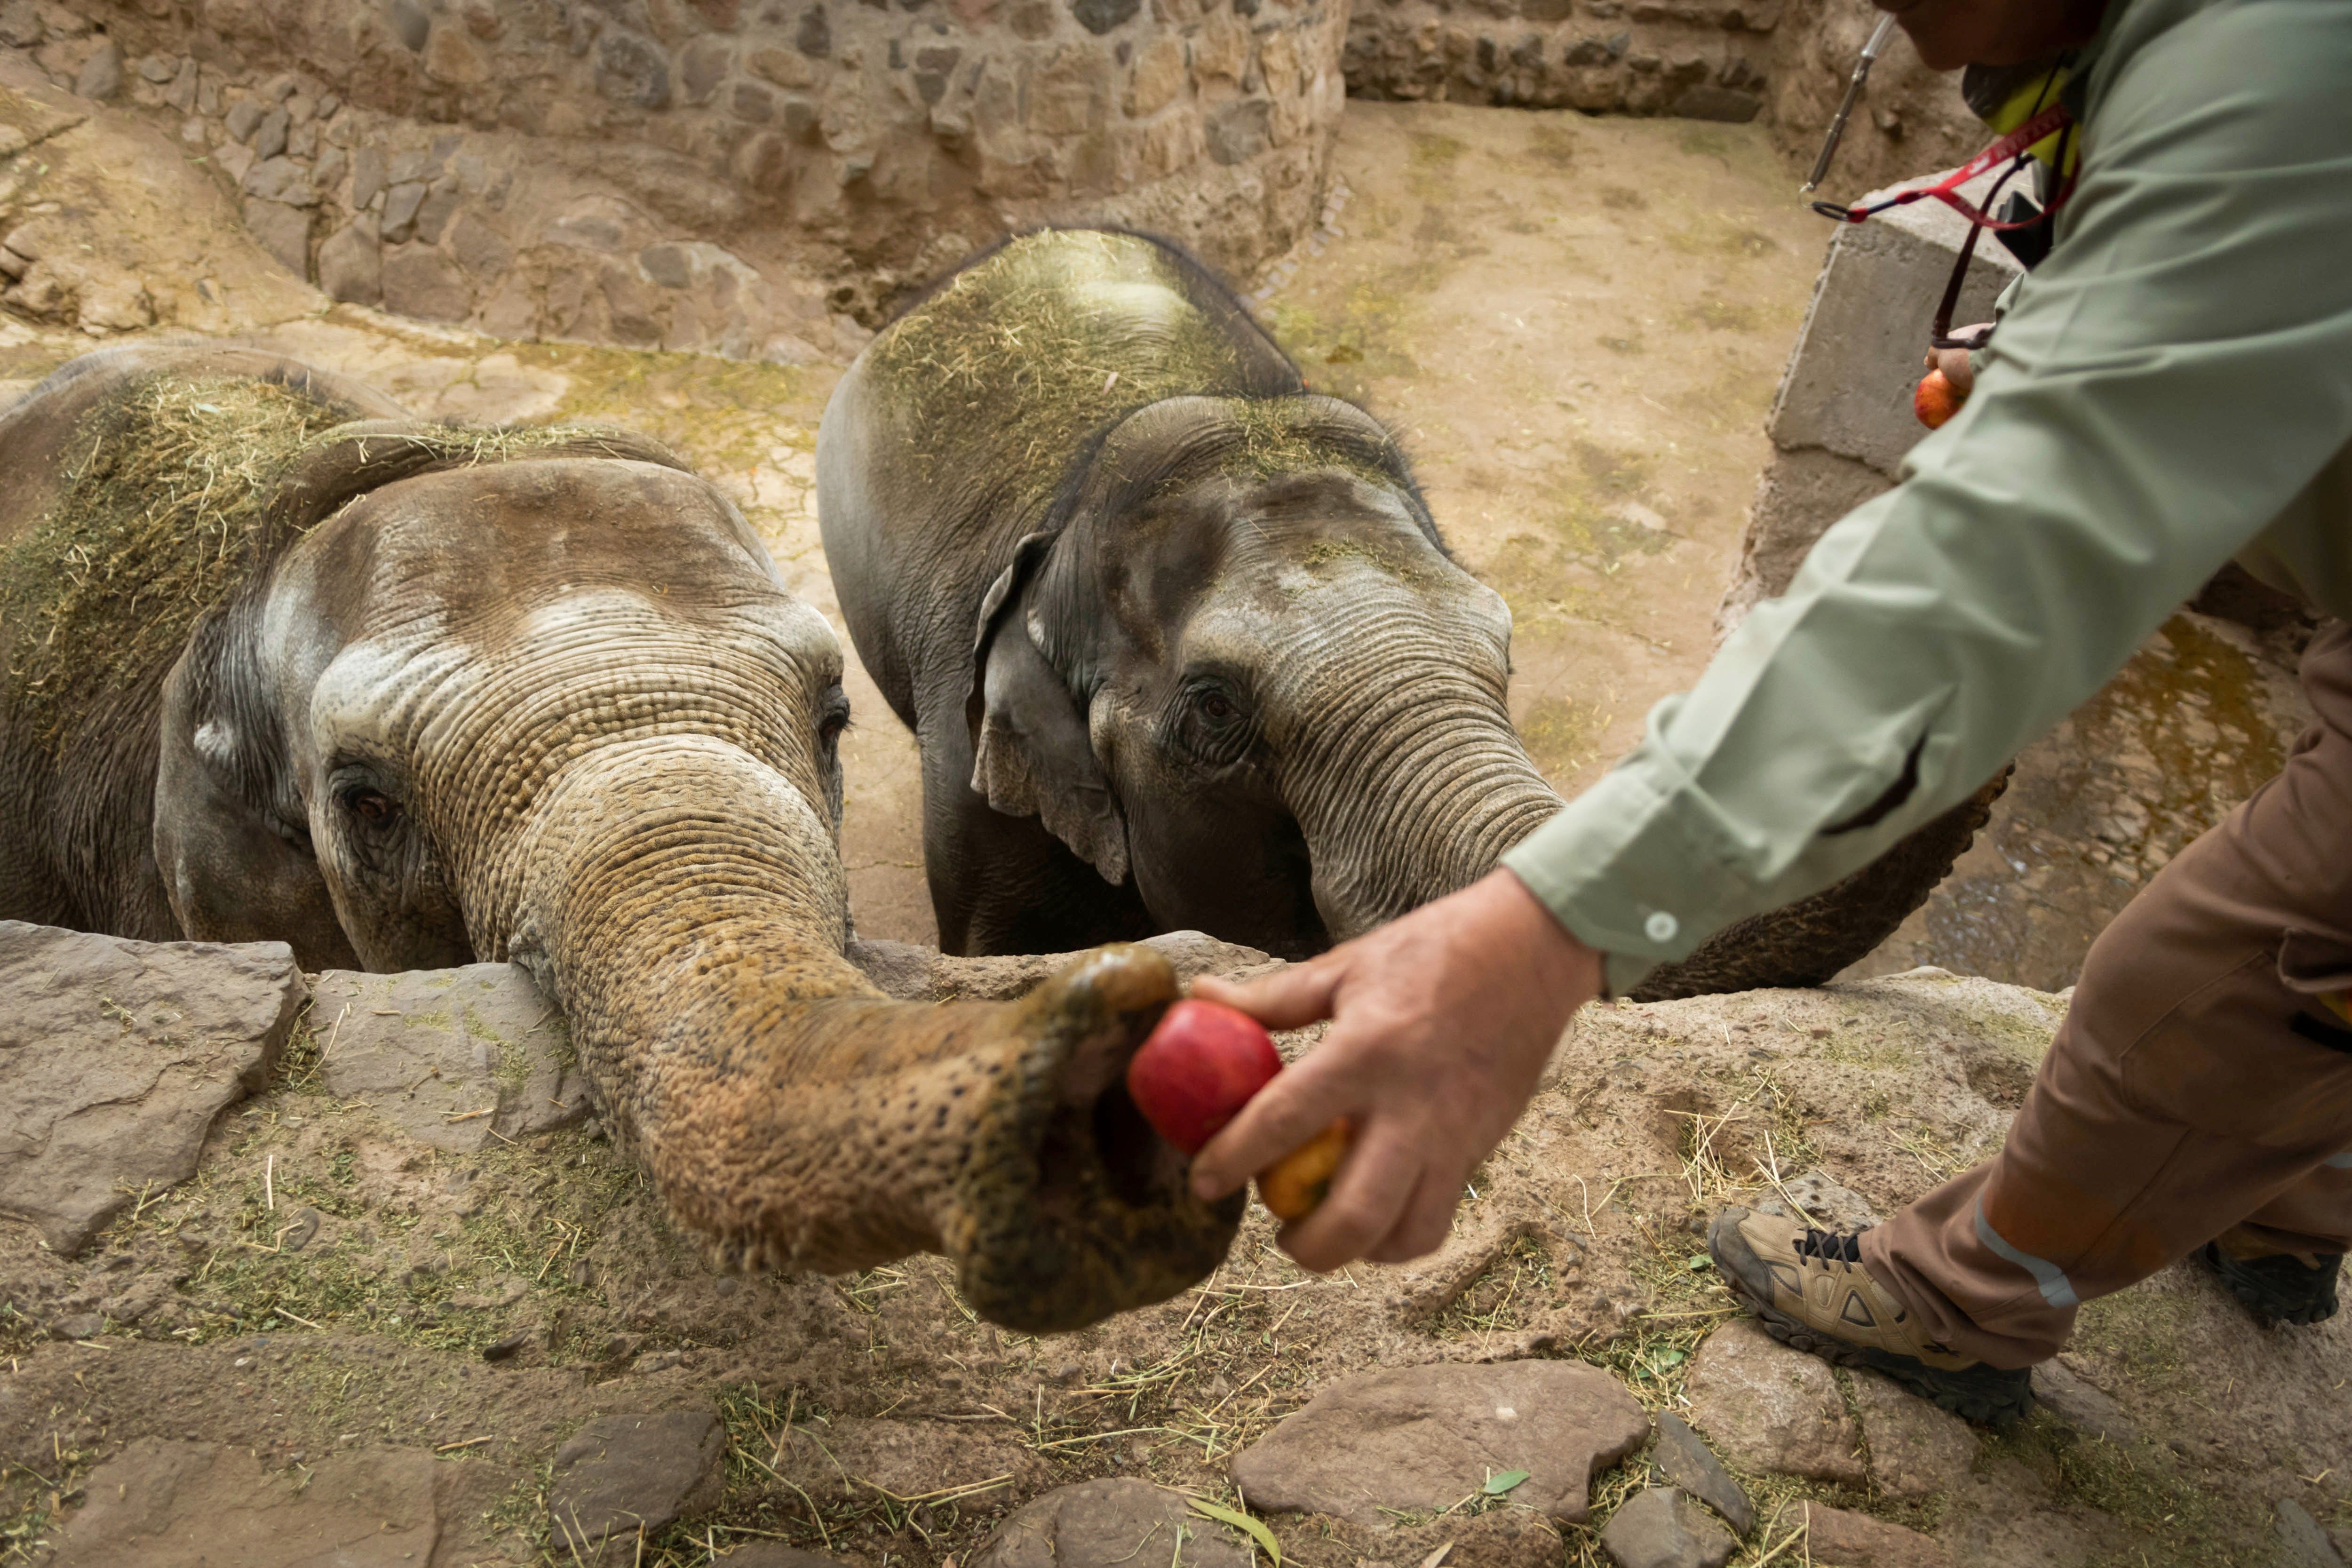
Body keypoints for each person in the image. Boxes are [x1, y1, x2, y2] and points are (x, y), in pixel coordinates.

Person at [1185, 0, 2352, 1422]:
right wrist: (2074, 333)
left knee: (2212, 967)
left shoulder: (2287, 65)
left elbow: (1983, 582)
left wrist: (1540, 929)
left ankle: (1970, 1297)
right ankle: (2291, 1199)